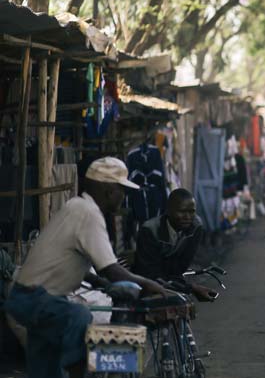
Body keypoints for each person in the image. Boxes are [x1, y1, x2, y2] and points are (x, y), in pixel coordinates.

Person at [5, 157, 167, 378]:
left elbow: (83, 264)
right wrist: (152, 285)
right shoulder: (88, 213)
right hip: (36, 298)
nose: (123, 196)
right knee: (79, 316)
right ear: (108, 189)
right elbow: (111, 269)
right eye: (122, 190)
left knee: (45, 370)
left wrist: (101, 284)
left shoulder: (77, 206)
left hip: (27, 297)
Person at [132, 188, 216, 301]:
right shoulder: (150, 230)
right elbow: (150, 274)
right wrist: (190, 288)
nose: (187, 217)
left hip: (169, 280)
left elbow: (180, 267)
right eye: (182, 211)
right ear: (168, 211)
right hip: (146, 283)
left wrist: (186, 287)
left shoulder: (195, 227)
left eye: (192, 211)